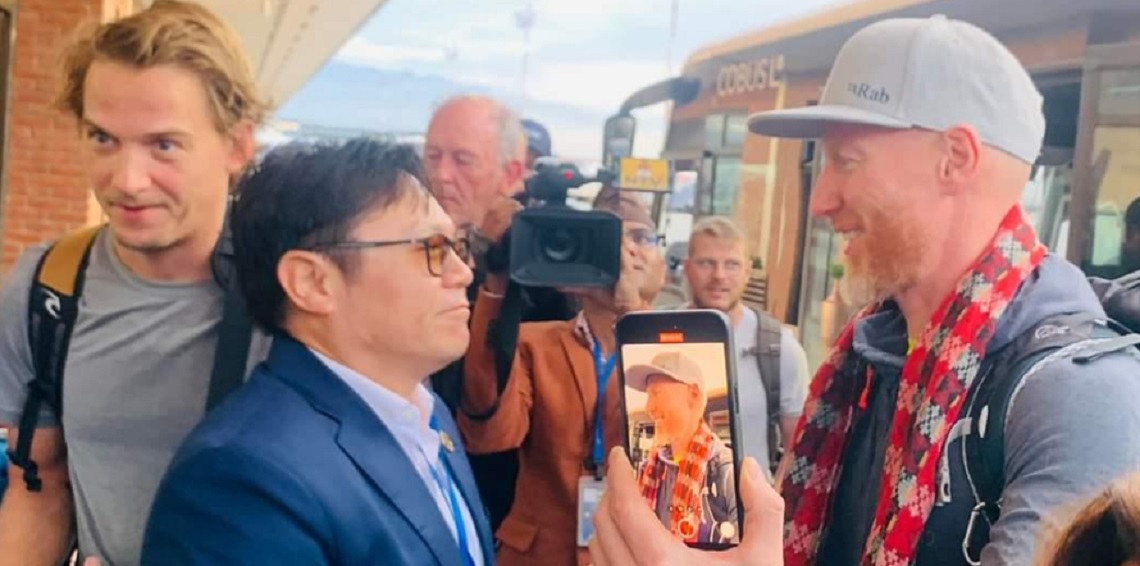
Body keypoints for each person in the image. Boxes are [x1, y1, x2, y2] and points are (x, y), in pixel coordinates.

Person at [593, 14, 1140, 566]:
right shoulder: (875, 360)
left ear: (955, 159)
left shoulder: (1080, 398)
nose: (820, 201)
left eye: (847, 162)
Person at [0, 2, 270, 564]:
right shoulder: (47, 292)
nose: (126, 180)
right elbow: (39, 486)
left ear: (237, 147)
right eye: (103, 138)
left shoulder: (294, 292)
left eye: (163, 144)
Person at [141, 139, 495, 565]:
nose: (463, 272)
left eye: (458, 246)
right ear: (311, 282)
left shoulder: (422, 412)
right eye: (431, 249)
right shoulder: (244, 477)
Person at [458, 187, 665, 566]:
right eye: (611, 240)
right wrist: (496, 283)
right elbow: (489, 435)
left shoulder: (681, 348)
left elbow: (674, 454)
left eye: (641, 237)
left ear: (663, 265)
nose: (626, 252)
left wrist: (631, 313)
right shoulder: (534, 343)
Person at [423, 95, 577, 532]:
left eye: (462, 160)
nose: (441, 174)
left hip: (510, 506)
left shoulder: (543, 263)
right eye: (432, 156)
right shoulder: (395, 246)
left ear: (511, 174)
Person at [680, 216, 808, 482]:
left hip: (748, 504)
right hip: (672, 499)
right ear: (687, 268)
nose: (719, 275)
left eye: (732, 264)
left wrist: (774, 498)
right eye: (706, 263)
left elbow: (797, 449)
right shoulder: (655, 336)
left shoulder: (778, 348)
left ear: (748, 271)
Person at [626, 351, 738, 546]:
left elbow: (745, 552)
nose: (649, 407)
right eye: (648, 395)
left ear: (693, 395)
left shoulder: (726, 471)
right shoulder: (648, 471)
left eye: (657, 393)